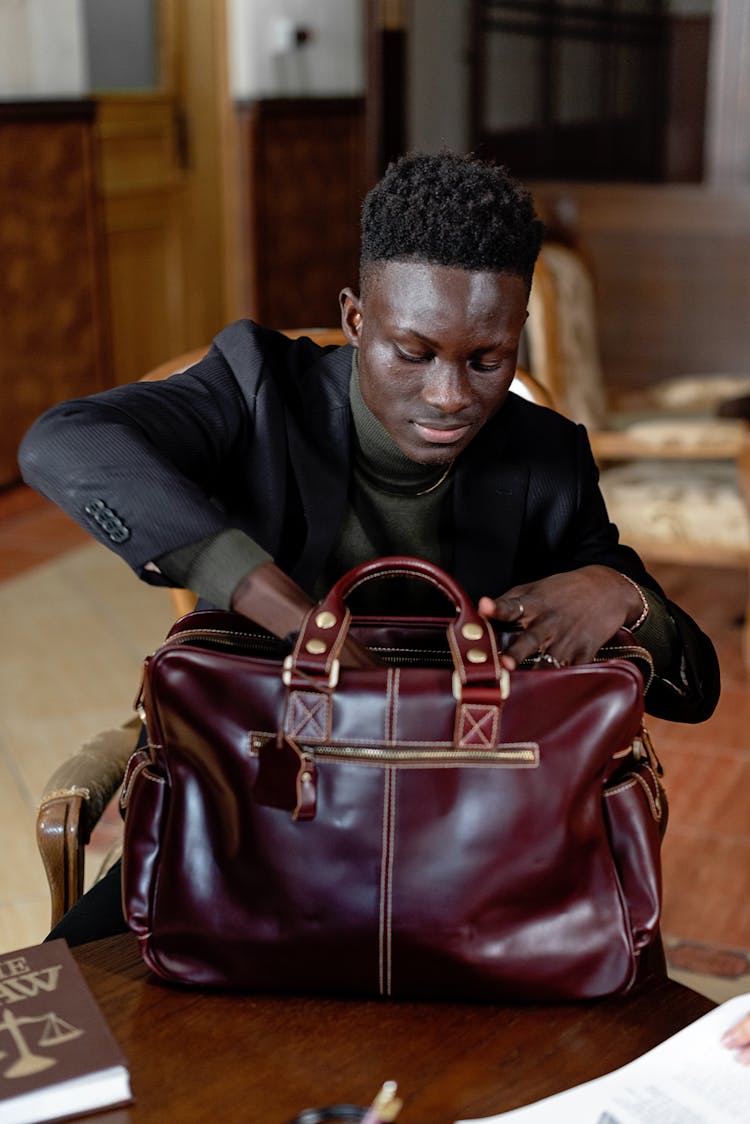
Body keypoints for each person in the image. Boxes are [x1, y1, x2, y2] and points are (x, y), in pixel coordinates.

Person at [19, 151, 719, 942]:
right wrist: (279, 604)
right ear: (356, 320)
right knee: (65, 1017)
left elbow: (695, 689)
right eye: (412, 353)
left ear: (518, 334)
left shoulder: (546, 455)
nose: (450, 397)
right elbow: (64, 443)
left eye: (487, 360)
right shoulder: (256, 388)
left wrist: (620, 593)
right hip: (249, 809)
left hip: (469, 844)